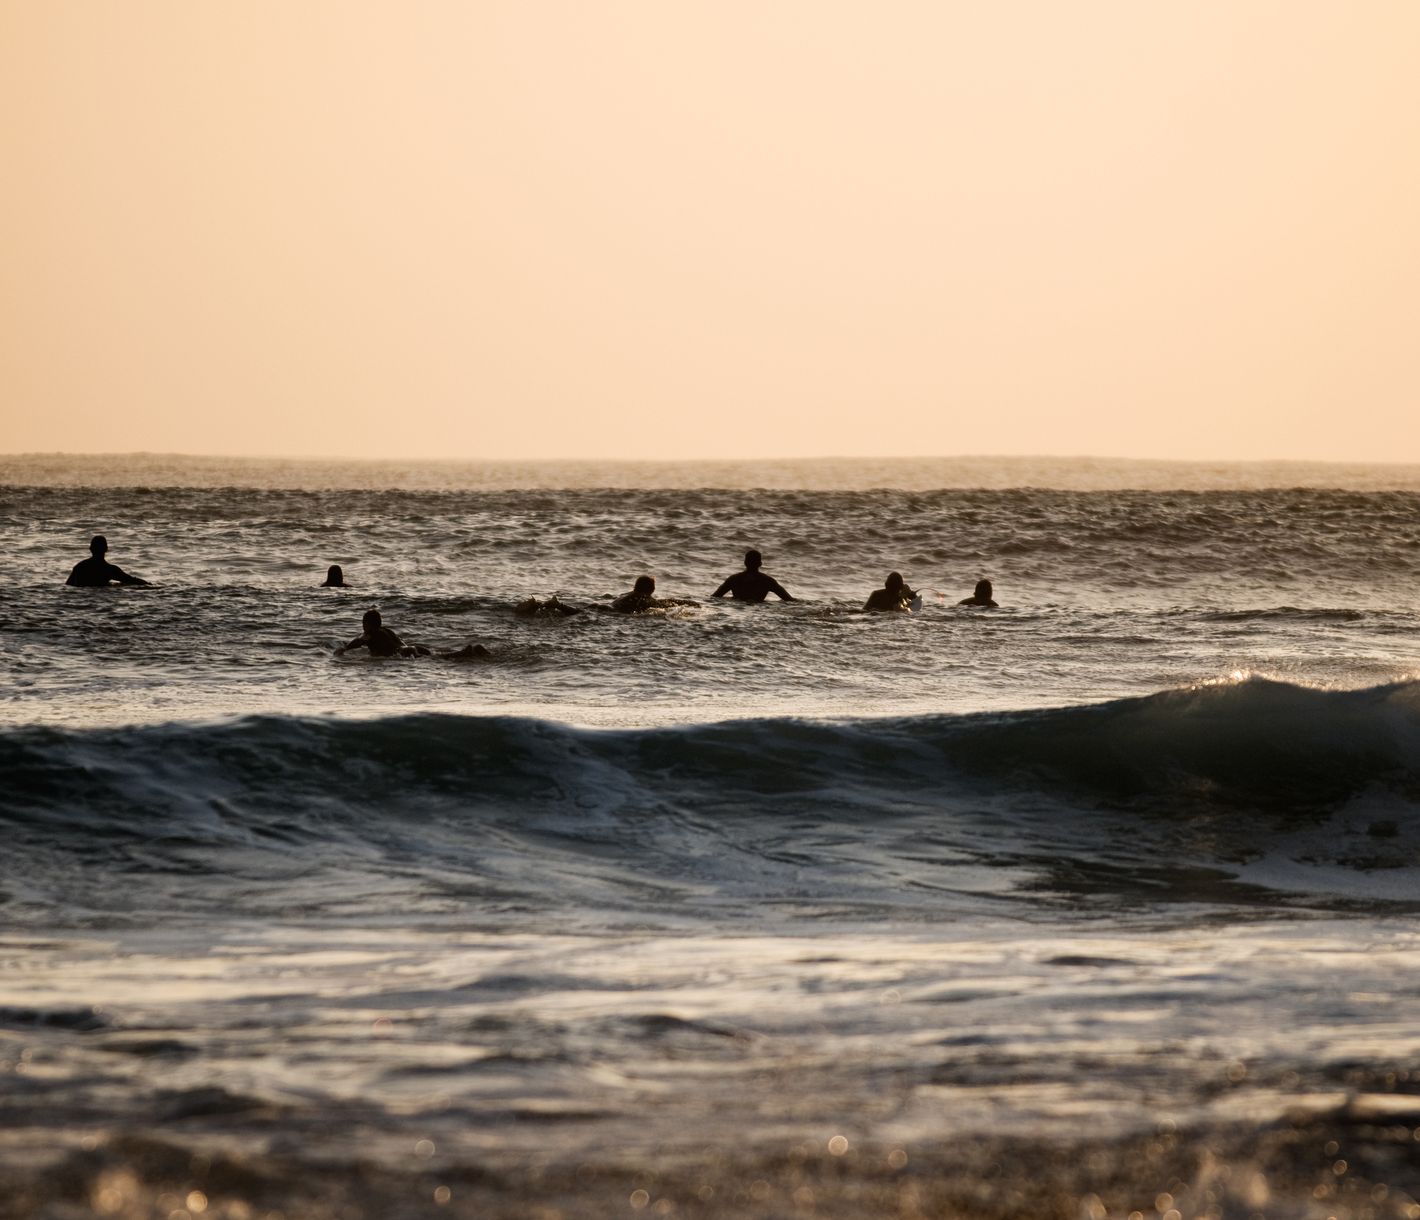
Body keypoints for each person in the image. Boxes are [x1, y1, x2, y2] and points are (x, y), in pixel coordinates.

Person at [336, 609, 489, 659]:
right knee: (440, 657)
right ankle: (470, 651)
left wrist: (344, 649)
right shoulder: (386, 631)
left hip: (405, 652)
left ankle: (467, 652)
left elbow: (359, 641)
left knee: (441, 659)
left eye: (363, 623)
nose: (363, 627)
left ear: (368, 624)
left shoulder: (371, 633)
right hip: (413, 647)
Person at [710, 549, 794, 602]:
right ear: (760, 564)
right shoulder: (767, 581)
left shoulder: (734, 579)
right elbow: (788, 600)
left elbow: (715, 597)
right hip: (759, 611)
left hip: (737, 610)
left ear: (745, 562)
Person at [66, 535, 150, 587]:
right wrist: (149, 585)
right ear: (106, 549)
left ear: (90, 549)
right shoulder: (108, 569)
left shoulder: (80, 567)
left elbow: (68, 586)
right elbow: (131, 580)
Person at [609, 575, 698, 614]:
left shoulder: (625, 595)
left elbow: (659, 602)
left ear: (635, 586)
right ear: (652, 589)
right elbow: (662, 605)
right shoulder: (643, 598)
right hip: (621, 614)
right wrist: (689, 603)